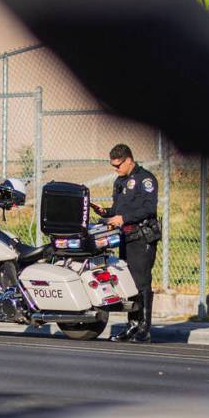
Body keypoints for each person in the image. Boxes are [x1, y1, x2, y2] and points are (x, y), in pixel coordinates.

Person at [91, 144, 160, 342]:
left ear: (129, 160)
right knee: (128, 283)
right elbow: (118, 209)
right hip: (126, 237)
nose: (116, 169)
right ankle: (132, 325)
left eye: (118, 165)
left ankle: (144, 328)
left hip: (142, 236)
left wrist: (123, 218)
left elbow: (149, 209)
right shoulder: (120, 181)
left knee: (142, 281)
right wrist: (105, 212)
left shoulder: (145, 179)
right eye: (113, 166)